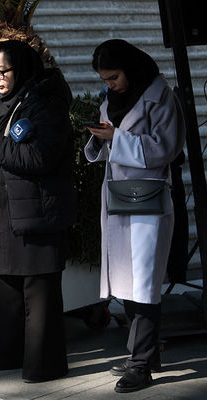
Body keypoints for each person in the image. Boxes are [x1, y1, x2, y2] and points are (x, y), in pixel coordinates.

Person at [0, 40, 76, 383]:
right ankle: (8, 357)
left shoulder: (45, 104)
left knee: (39, 295)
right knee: (9, 289)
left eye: (3, 71)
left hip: (36, 216)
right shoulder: (1, 102)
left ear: (23, 68)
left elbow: (39, 158)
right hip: (6, 213)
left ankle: (44, 367)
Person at [85, 39, 185, 393]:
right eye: (105, 79)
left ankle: (141, 363)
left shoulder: (162, 97)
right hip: (120, 194)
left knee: (143, 279)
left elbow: (166, 147)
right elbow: (110, 144)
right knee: (128, 276)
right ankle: (145, 355)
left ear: (132, 67)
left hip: (147, 193)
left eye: (114, 77)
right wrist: (100, 139)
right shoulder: (111, 98)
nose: (110, 84)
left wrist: (117, 137)